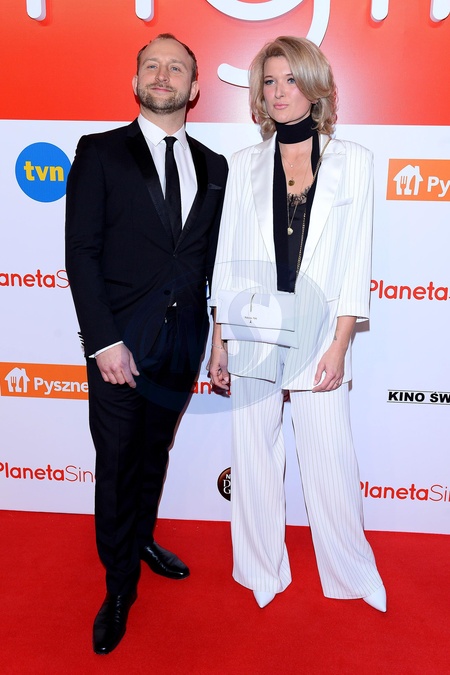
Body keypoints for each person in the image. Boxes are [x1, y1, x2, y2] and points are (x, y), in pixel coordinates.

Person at [208, 36, 386, 612]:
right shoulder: (243, 165)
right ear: (258, 93)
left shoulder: (353, 160)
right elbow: (229, 258)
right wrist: (219, 339)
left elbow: (354, 260)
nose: (279, 92)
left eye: (290, 79)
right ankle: (260, 568)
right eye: (269, 81)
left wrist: (340, 343)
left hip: (320, 333)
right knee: (254, 454)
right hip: (253, 328)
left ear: (314, 86)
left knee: (330, 456)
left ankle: (351, 572)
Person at [65, 33, 228, 654]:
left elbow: (212, 262)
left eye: (176, 67)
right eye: (151, 66)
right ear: (135, 82)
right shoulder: (100, 151)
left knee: (154, 451)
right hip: (119, 348)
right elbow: (81, 252)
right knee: (117, 463)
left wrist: (218, 337)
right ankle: (118, 586)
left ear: (194, 87)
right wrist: (104, 341)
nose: (163, 75)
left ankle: (140, 539)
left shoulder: (215, 166)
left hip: (181, 345)